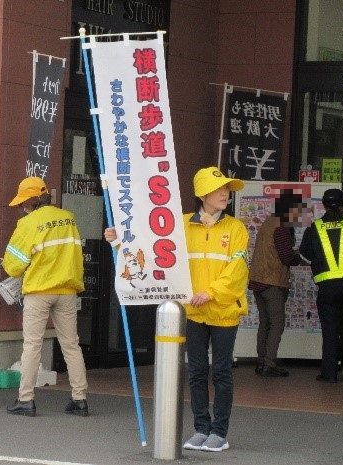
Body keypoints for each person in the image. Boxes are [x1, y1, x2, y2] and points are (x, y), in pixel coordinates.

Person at [104, 167, 248, 452]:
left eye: (227, 189)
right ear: (202, 193)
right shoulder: (180, 225)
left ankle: (219, 432)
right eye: (219, 189)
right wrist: (119, 241)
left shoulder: (236, 228)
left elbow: (238, 268)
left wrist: (211, 292)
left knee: (220, 372)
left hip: (223, 311)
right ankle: (201, 428)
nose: (225, 194)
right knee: (195, 371)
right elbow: (153, 252)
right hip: (191, 312)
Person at [3, 176, 88, 417]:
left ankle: (26, 399)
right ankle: (80, 399)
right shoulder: (68, 218)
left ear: (30, 201)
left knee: (32, 345)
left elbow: (13, 266)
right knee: (71, 345)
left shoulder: (28, 223)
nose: (22, 207)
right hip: (68, 290)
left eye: (22, 203)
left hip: (39, 291)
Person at [299, 188, 343, 383]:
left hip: (327, 288)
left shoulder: (315, 227)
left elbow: (305, 254)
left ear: (324, 205)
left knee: (330, 330)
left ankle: (329, 373)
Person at [249, 190, 304, 377]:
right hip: (271, 281)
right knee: (277, 323)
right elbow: (286, 257)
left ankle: (261, 361)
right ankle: (269, 364)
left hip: (257, 279)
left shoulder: (268, 223)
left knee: (265, 322)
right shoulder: (281, 227)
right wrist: (299, 256)